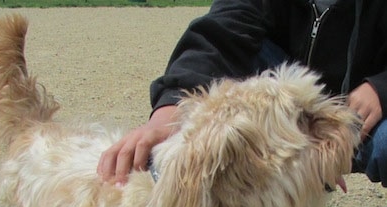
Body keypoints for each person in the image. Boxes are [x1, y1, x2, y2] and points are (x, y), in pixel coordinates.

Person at [97, 0, 387, 188]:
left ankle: (296, 184)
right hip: (288, 120)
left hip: (371, 112)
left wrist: (381, 88)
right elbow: (217, 37)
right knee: (242, 64)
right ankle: (291, 186)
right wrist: (169, 114)